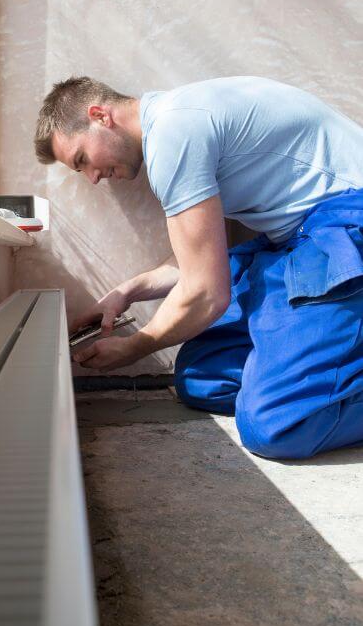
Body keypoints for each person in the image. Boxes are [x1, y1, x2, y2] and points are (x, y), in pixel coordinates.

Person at [34, 75, 363, 459]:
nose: (92, 177)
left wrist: (137, 346)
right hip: (295, 241)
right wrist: (127, 292)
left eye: (82, 160)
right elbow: (198, 253)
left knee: (274, 425)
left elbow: (207, 292)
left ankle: (301, 384)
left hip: (343, 228)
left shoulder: (174, 135)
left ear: (99, 116)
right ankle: (315, 365)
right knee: (199, 377)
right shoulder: (175, 122)